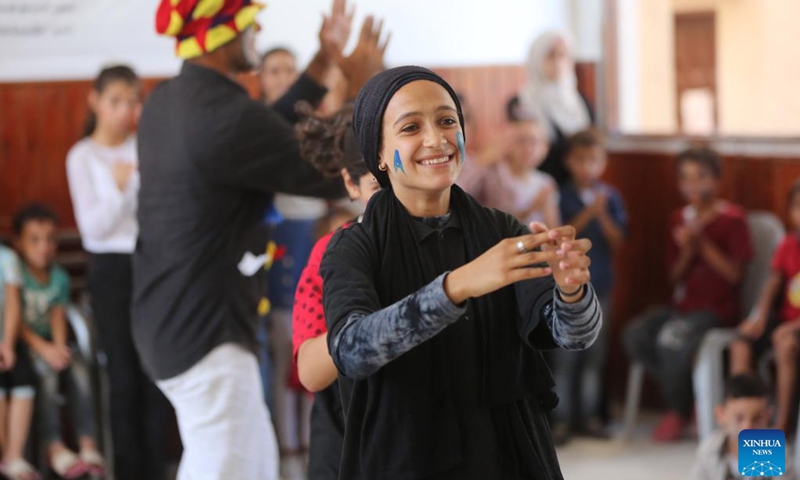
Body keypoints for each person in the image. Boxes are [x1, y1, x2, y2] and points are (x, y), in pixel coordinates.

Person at [134, 1, 384, 478]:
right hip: (206, 333)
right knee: (235, 467)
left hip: (169, 322)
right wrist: (366, 90)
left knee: (233, 460)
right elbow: (335, 171)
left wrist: (322, 61)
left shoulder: (170, 101)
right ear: (220, 36)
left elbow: (263, 134)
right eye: (248, 23)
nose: (259, 29)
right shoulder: (224, 119)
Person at [321, 66, 602, 480]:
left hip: (506, 455)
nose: (436, 139)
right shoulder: (354, 246)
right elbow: (350, 351)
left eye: (447, 121)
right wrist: (456, 287)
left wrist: (572, 292)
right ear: (379, 153)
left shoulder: (502, 229)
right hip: (405, 460)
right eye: (411, 127)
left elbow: (575, 336)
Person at [66, 65, 171, 480]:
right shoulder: (82, 155)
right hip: (109, 270)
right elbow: (95, 228)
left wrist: (130, 189)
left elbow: (157, 214)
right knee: (123, 378)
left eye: (132, 101)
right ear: (95, 101)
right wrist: (124, 188)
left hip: (149, 264)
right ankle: (129, 470)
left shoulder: (143, 146)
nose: (125, 110)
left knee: (154, 372)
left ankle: (158, 468)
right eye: (115, 101)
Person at [623, 147, 753, 442]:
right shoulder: (678, 219)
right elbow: (674, 276)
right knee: (636, 333)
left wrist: (702, 244)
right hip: (682, 306)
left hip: (716, 309)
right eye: (686, 179)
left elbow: (735, 275)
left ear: (717, 181)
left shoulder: (732, 219)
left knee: (672, 340)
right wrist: (688, 250)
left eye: (702, 177)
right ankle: (690, 397)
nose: (693, 185)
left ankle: (679, 409)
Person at [291, 102, 379, 480]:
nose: (395, 200)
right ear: (351, 183)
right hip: (347, 440)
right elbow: (312, 372)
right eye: (378, 187)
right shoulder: (331, 253)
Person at [14, 204, 105, 479]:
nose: (44, 247)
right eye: (35, 239)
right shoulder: (14, 276)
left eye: (50, 239)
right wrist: (44, 350)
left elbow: (58, 314)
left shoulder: (59, 278)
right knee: (46, 372)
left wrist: (59, 348)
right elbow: (15, 321)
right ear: (19, 243)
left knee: (76, 366)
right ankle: (52, 446)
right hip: (27, 345)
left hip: (51, 343)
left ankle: (88, 444)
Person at [552, 129, 627, 441]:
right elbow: (561, 236)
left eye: (594, 160)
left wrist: (603, 215)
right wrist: (588, 212)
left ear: (603, 162)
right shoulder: (562, 195)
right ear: (569, 162)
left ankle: (590, 417)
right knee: (565, 354)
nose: (587, 167)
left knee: (595, 355)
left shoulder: (611, 197)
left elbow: (619, 241)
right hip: (568, 286)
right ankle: (561, 420)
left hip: (602, 284)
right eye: (580, 160)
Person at [730, 180, 800, 432]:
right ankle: (742, 421)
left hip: (793, 330)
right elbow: (773, 281)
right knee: (741, 343)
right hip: (784, 321)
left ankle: (780, 427)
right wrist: (758, 316)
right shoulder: (789, 244)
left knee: (784, 342)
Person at [511, 31, 593, 186]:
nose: (557, 62)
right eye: (550, 56)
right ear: (536, 59)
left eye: (563, 56)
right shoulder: (520, 103)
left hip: (576, 187)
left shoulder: (580, 103)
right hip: (536, 188)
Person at [689, 374, 796, 480]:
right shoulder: (710, 449)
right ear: (720, 414)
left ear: (768, 416)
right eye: (739, 418)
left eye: (757, 419)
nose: (748, 427)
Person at [459, 119, 560, 228]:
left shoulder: (545, 181)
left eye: (535, 142)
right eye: (521, 141)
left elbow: (554, 228)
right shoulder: (493, 175)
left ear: (546, 148)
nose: (528, 149)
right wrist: (482, 161)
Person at [0, 245, 38, 480]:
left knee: (23, 376)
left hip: (8, 342)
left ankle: (14, 457)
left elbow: (14, 303)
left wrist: (7, 344)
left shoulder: (7, 257)